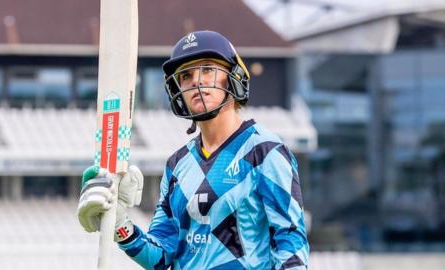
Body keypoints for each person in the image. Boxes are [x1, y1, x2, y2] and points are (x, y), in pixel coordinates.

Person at [77, 30, 309, 269]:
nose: (196, 81)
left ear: (233, 76)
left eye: (208, 69)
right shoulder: (177, 164)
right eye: (186, 75)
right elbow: (160, 257)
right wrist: (120, 226)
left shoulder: (265, 151)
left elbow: (290, 242)